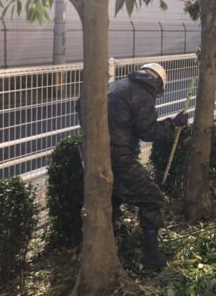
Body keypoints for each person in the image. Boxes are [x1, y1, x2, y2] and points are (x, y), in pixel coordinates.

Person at [77, 63, 188, 269]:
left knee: (113, 195)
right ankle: (151, 256)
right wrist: (172, 123)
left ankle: (108, 244)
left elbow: (80, 104)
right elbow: (148, 132)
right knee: (152, 198)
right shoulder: (143, 94)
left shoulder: (117, 85)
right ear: (158, 83)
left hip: (94, 153)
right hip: (118, 157)